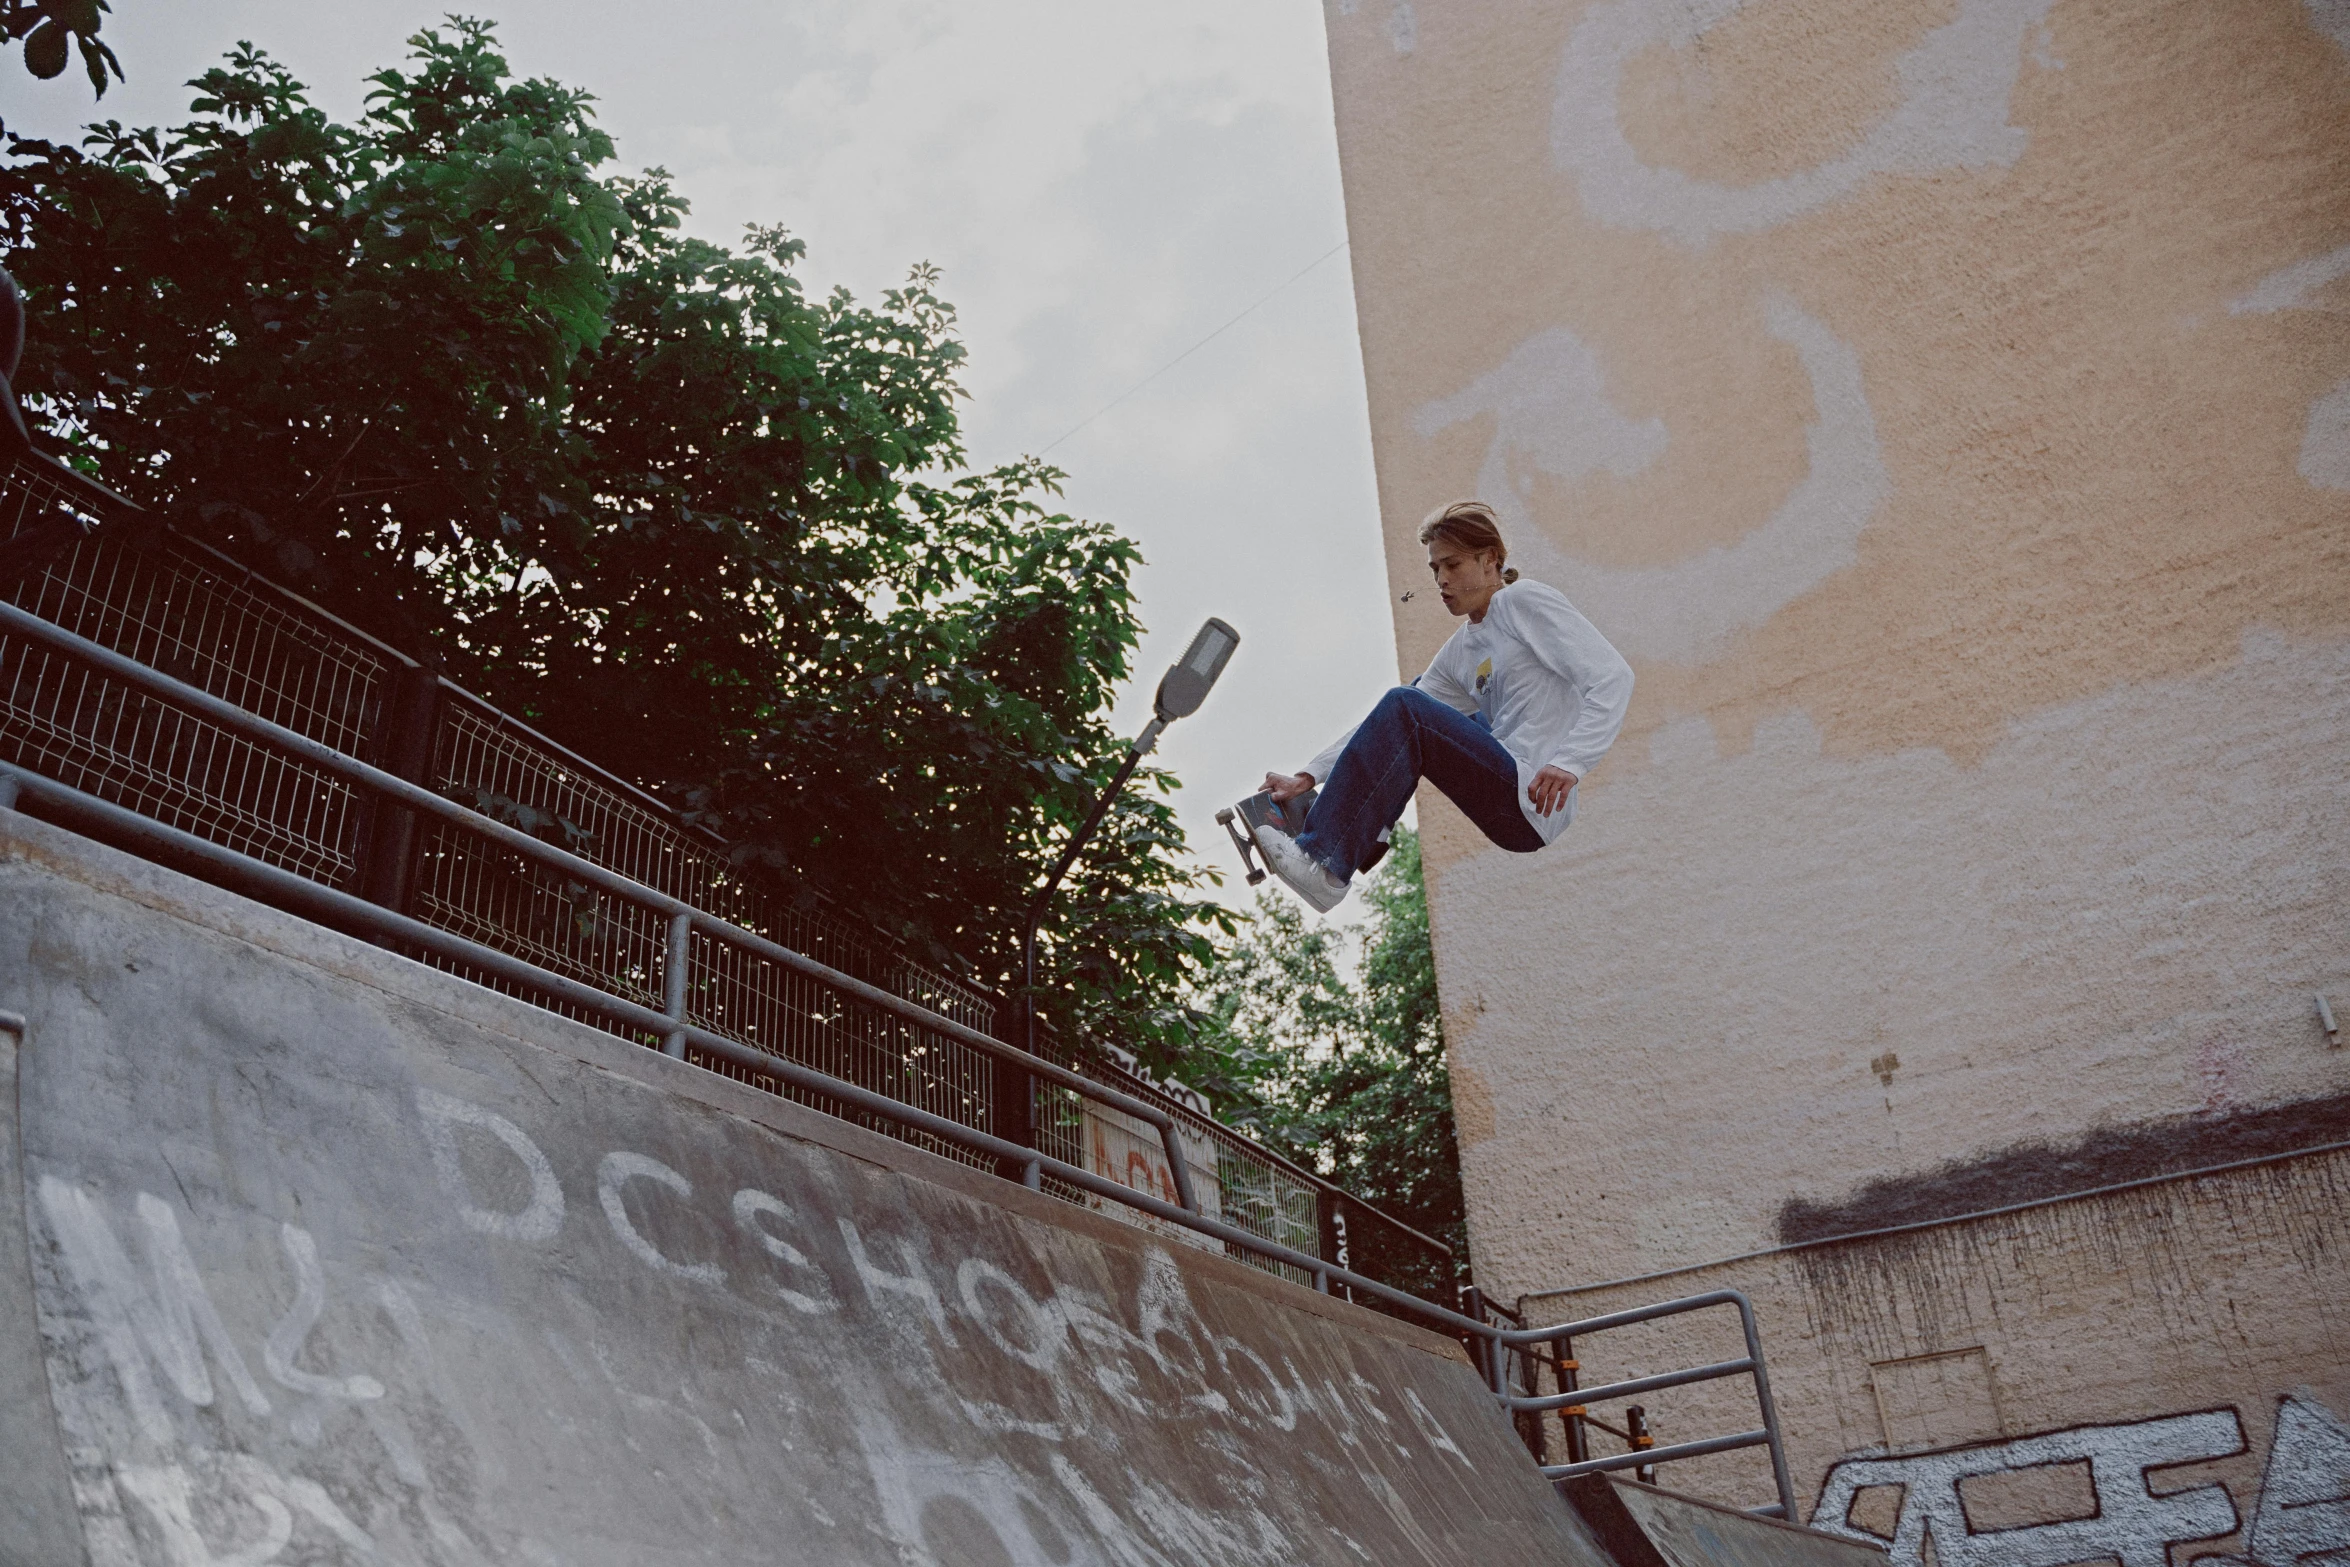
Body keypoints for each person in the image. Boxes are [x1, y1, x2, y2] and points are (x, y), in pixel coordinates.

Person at [1253, 500, 1634, 912]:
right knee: (1407, 703)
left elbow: (1612, 678)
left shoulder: (1523, 602)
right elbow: (1382, 727)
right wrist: (1307, 776)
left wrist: (1570, 761)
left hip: (1530, 795)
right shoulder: (1461, 650)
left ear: (1491, 560)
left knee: (1409, 706)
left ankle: (1325, 865)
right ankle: (1362, 837)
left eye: (1452, 565)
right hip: (1503, 796)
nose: (1441, 580)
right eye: (1435, 570)